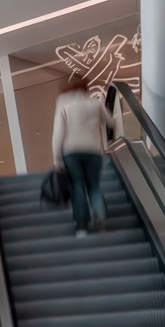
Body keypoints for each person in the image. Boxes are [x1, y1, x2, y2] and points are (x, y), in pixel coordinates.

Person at [54, 70, 119, 236]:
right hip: (92, 151)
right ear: (85, 85)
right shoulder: (95, 103)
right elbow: (111, 122)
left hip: (71, 152)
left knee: (77, 186)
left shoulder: (63, 103)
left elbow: (58, 132)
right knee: (94, 186)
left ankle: (81, 227)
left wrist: (57, 158)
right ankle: (100, 219)